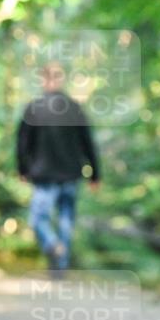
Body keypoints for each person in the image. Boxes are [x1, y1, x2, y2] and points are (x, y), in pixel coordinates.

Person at [16, 62, 100, 273]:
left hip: (44, 176)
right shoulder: (74, 108)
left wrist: (23, 169)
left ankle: (53, 246)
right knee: (66, 220)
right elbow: (87, 143)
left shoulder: (34, 108)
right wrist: (95, 175)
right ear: (61, 79)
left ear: (44, 80)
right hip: (71, 174)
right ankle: (60, 266)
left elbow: (22, 144)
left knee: (38, 219)